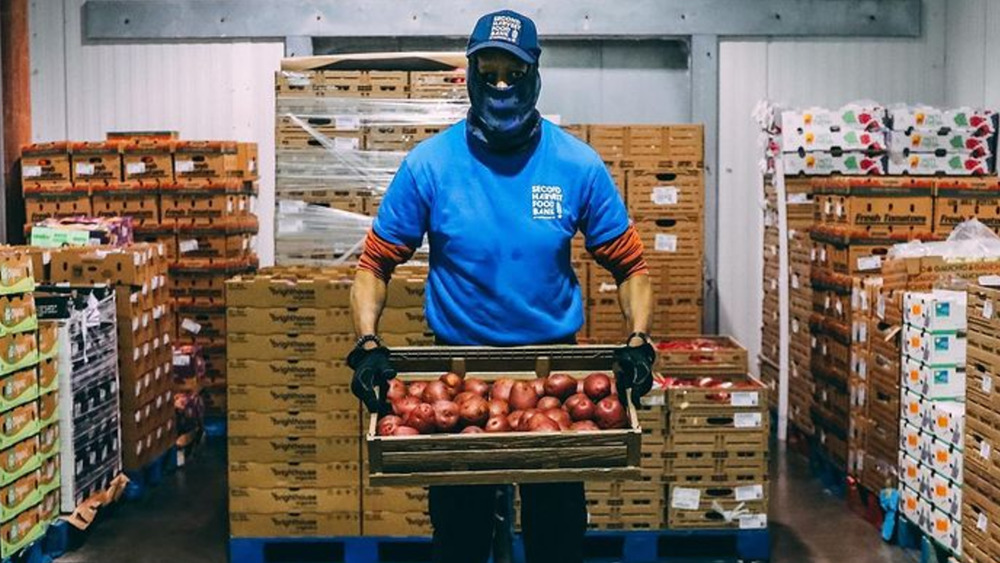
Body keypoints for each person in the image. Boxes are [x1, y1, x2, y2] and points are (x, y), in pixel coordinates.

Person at [348, 10, 655, 563]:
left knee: (556, 532)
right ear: (469, 76)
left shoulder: (576, 165)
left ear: (535, 75)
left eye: (513, 73)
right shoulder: (431, 166)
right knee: (461, 535)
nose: (500, 87)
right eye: (486, 73)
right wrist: (368, 342)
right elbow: (374, 263)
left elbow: (631, 266)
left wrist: (638, 339)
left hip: (553, 374)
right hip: (457, 372)